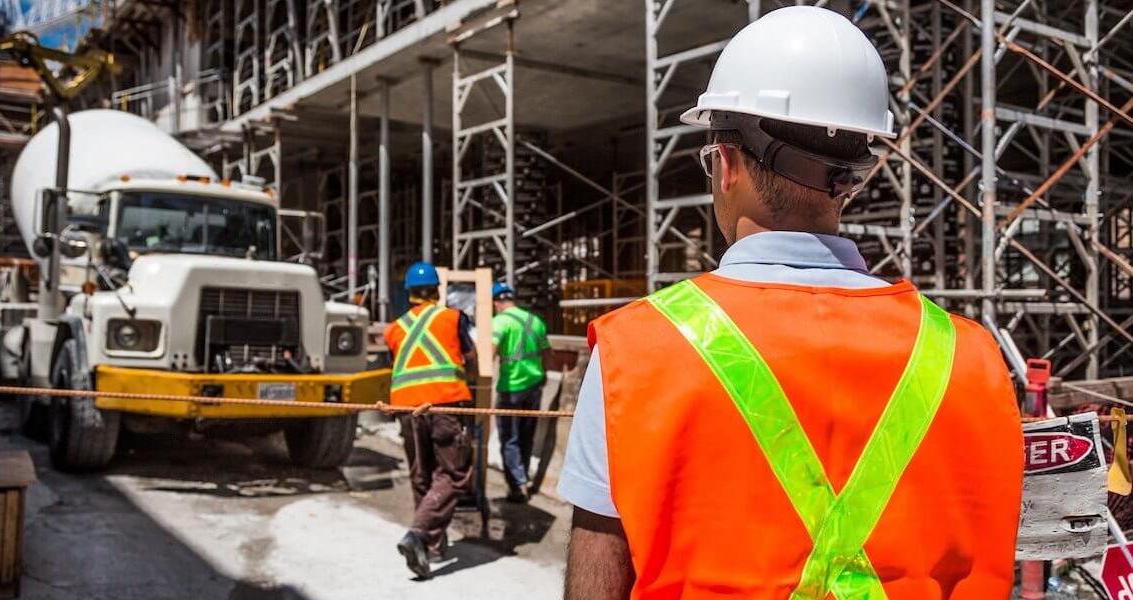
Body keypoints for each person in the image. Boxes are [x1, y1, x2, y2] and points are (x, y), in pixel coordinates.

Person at [559, 7, 1023, 599]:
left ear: (725, 165)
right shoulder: (971, 356)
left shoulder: (636, 352)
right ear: (853, 177)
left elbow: (598, 578)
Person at [384, 261, 478, 580]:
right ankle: (419, 534)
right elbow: (471, 356)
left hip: (407, 409)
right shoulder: (453, 318)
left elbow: (396, 366)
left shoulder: (394, 329)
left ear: (409, 293)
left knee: (421, 474)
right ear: (438, 291)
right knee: (455, 474)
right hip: (444, 403)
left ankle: (432, 546)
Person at [490, 282, 551, 502]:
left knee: (509, 438)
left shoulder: (499, 322)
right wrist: (542, 374)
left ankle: (517, 486)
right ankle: (523, 476)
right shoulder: (535, 321)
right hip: (534, 387)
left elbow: (490, 352)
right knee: (526, 435)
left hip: (511, 388)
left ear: (496, 303)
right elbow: (547, 352)